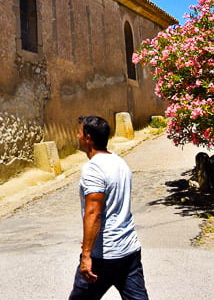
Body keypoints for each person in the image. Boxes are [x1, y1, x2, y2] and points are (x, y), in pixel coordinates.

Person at [69, 115, 149, 300]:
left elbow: (93, 212)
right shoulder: (120, 162)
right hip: (129, 250)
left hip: (103, 256)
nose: (77, 136)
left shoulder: (94, 169)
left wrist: (86, 255)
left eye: (79, 133)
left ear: (88, 138)